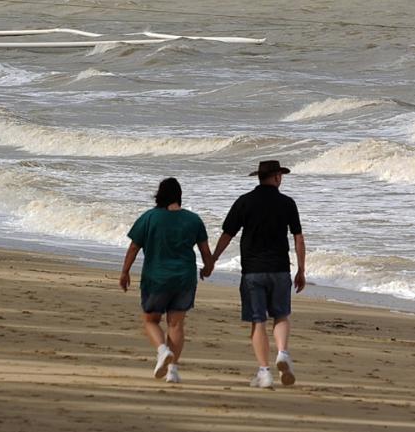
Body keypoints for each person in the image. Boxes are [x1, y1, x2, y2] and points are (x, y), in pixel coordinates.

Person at [210, 160, 306, 389]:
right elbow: (298, 238)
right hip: (280, 269)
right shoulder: (287, 203)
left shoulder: (245, 201)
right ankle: (282, 352)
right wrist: (301, 269)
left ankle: (264, 372)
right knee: (281, 315)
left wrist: (212, 260)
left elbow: (227, 234)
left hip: (252, 271)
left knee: (258, 321)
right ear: (276, 177)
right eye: (280, 175)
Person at [119, 177, 213, 384]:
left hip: (156, 278)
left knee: (151, 320)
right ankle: (172, 370)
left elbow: (134, 247)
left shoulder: (149, 217)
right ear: (179, 196)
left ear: (159, 195)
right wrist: (208, 268)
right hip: (184, 278)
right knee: (176, 324)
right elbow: (206, 253)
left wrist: (125, 272)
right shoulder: (193, 219)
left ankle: (162, 351)